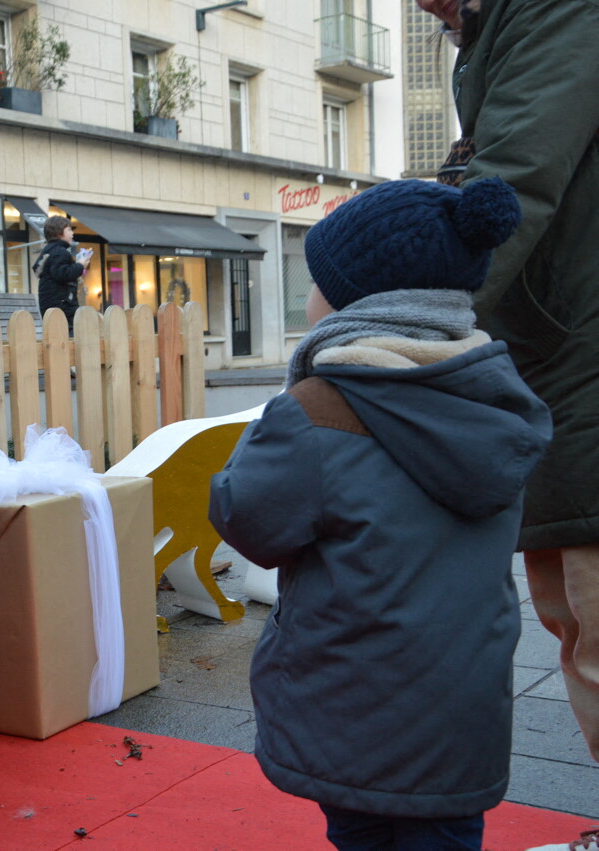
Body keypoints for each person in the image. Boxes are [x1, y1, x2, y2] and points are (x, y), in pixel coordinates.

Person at [208, 177, 552, 851]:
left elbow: (248, 518)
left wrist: (274, 423)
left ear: (351, 298)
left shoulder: (318, 409)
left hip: (357, 706)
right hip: (463, 710)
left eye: (315, 281)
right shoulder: (496, 398)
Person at [415, 8, 599, 845]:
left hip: (579, 358)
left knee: (591, 623)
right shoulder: (506, 26)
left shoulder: (557, 11)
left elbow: (511, 182)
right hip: (559, 362)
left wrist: (406, 324)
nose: (419, 3)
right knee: (573, 619)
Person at [33, 215, 90, 330]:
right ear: (59, 233)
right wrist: (80, 265)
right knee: (69, 335)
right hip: (62, 305)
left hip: (51, 305)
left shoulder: (48, 251)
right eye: (69, 230)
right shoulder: (60, 252)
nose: (72, 233)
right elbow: (62, 274)